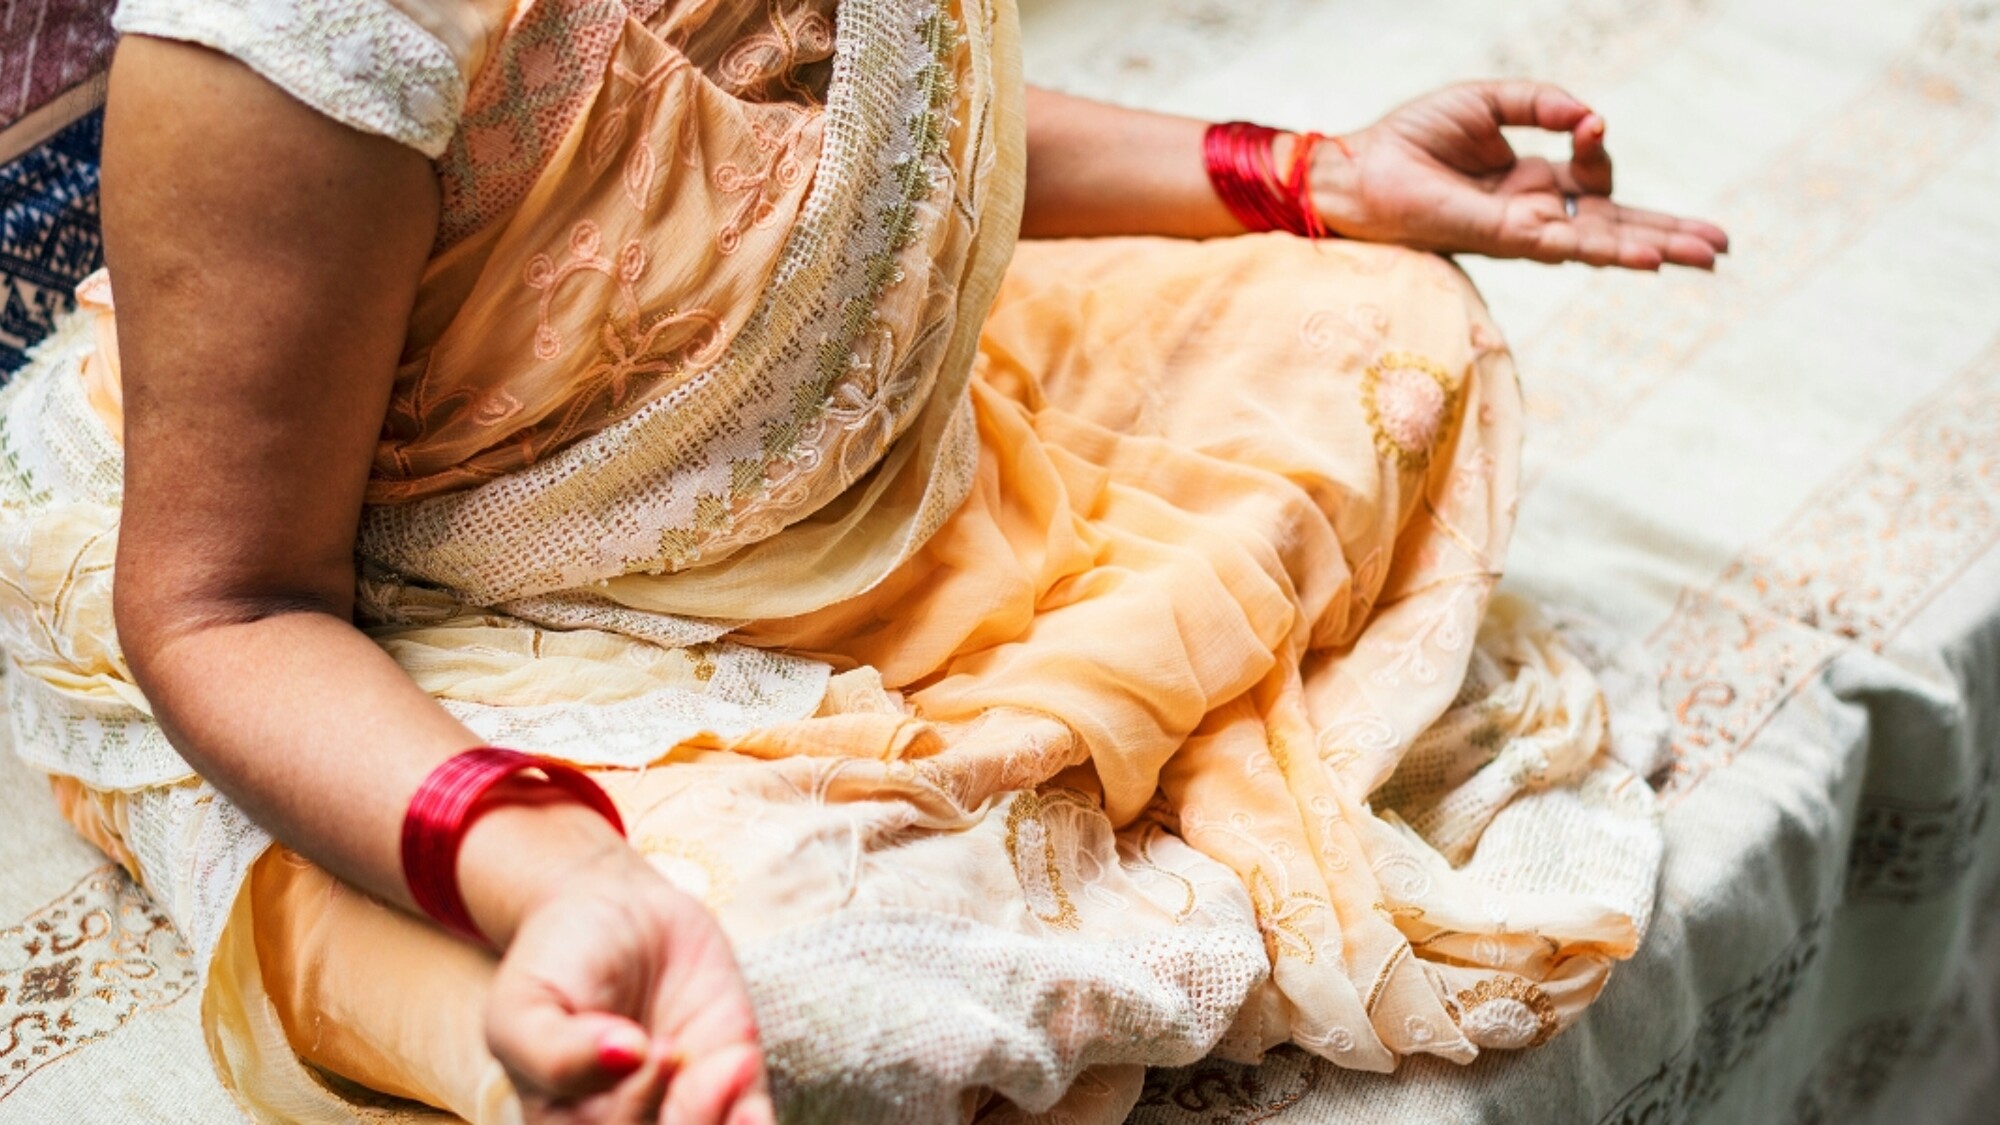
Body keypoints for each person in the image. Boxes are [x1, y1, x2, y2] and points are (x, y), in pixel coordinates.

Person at [0, 0, 1726, 1122]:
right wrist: (553, 872)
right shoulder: (298, 31)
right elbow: (226, 604)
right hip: (422, 598)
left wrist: (1302, 172)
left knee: (1386, 326)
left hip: (855, 483)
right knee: (787, 998)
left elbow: (847, 144)